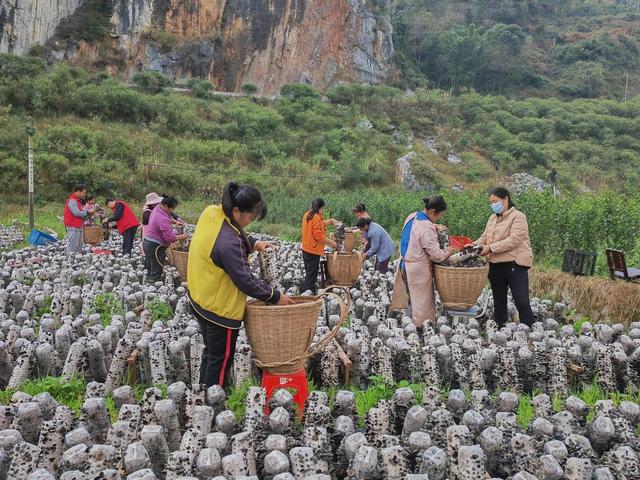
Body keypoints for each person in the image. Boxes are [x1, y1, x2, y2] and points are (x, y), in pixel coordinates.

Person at [187, 182, 295, 388]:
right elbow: (245, 279)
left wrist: (253, 242)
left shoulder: (212, 212)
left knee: (211, 353)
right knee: (221, 360)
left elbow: (232, 228)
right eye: (250, 218)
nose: (249, 223)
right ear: (236, 211)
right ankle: (214, 404)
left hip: (199, 296)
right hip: (219, 310)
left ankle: (202, 396)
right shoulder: (229, 243)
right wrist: (274, 296)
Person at [475, 187, 534, 327]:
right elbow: (485, 237)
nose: (493, 205)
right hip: (495, 264)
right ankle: (501, 328)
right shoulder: (492, 218)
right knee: (499, 300)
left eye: (495, 201)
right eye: (491, 202)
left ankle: (528, 329)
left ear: (505, 199)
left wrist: (490, 248)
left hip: (514, 264)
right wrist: (473, 245)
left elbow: (514, 240)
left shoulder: (518, 216)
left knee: (521, 300)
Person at [400, 196, 452, 327]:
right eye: (440, 215)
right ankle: (422, 328)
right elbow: (436, 255)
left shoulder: (412, 216)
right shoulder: (426, 227)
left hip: (405, 263)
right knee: (422, 301)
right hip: (418, 268)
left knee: (410, 298)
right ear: (433, 211)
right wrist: (447, 251)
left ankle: (409, 325)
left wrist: (433, 225)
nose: (439, 218)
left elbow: (416, 230)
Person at [144, 196, 189, 282]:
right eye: (171, 208)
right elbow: (170, 238)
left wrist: (175, 221)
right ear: (165, 205)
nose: (172, 210)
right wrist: (184, 236)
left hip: (147, 242)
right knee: (156, 270)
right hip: (155, 246)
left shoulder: (157, 208)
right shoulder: (163, 219)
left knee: (151, 267)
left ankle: (147, 284)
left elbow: (168, 216)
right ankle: (153, 288)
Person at [301, 198, 338, 294]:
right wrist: (332, 243)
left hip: (306, 248)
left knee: (309, 273)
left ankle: (306, 292)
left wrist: (331, 221)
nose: (323, 210)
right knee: (311, 275)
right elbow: (319, 236)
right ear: (320, 208)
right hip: (313, 250)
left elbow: (319, 225)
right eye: (323, 208)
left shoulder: (308, 214)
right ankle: (308, 295)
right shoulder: (316, 217)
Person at [63, 184, 92, 254]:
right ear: (78, 191)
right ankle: (70, 260)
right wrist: (88, 212)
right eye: (84, 193)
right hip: (72, 225)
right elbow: (76, 213)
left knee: (79, 245)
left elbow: (81, 213)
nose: (84, 195)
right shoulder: (72, 200)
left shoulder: (77, 201)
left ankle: (77, 260)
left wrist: (88, 215)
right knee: (72, 245)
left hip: (78, 226)